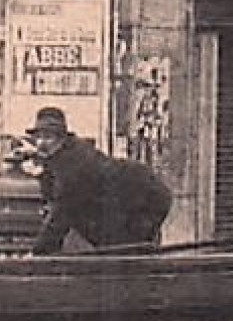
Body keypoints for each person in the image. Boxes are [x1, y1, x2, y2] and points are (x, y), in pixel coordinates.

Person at [23, 106, 173, 255]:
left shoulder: (74, 164)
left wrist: (37, 254)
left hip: (146, 199)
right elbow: (55, 195)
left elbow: (61, 214)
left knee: (124, 253)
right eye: (38, 137)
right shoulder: (64, 154)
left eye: (48, 137)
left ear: (62, 138)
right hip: (125, 203)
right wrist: (42, 172)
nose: (41, 143)